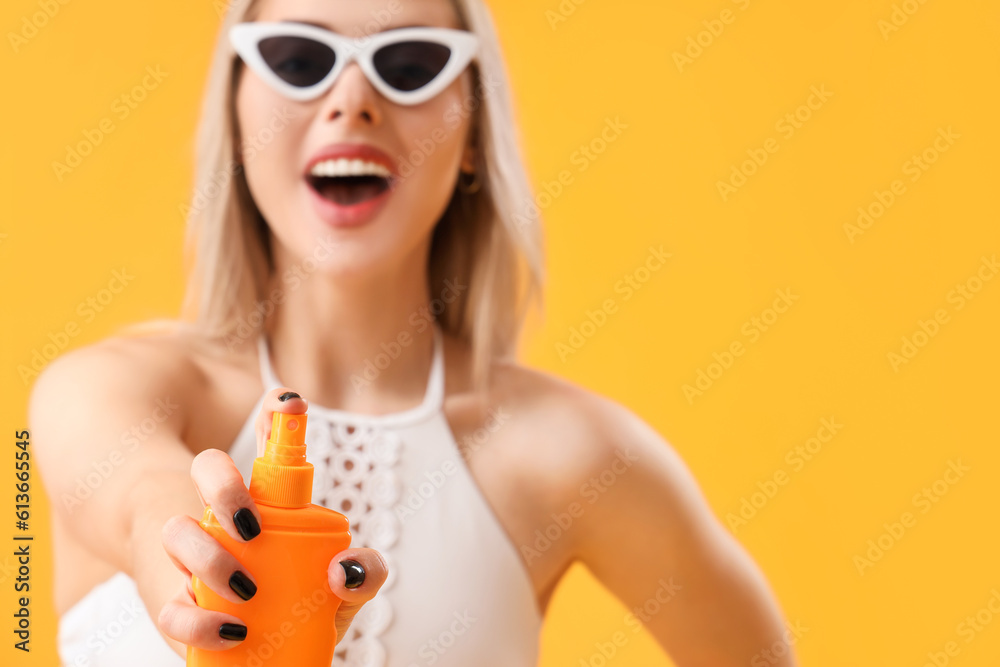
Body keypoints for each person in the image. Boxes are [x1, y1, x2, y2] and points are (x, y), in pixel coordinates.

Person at [29, 0, 798, 665]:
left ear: (473, 135)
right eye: (299, 59)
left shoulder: (574, 454)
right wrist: (201, 567)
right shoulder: (102, 392)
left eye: (411, 63)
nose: (352, 99)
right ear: (235, 113)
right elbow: (139, 499)